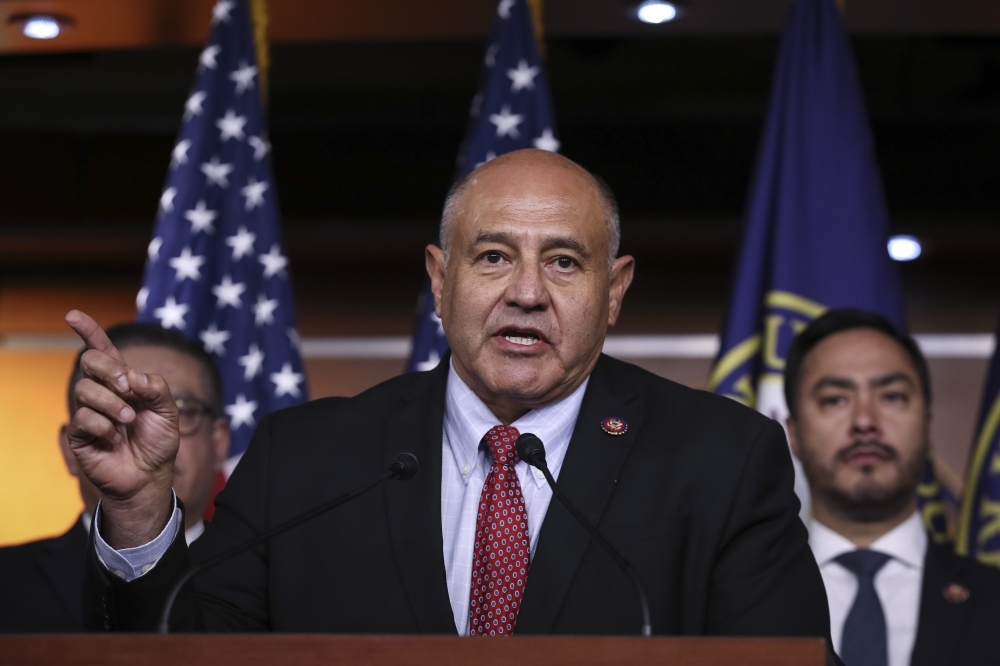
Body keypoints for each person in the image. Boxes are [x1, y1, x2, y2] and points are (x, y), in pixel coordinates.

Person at [70, 149, 832, 641]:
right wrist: (139, 513)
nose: (527, 293)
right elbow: (192, 657)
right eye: (494, 256)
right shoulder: (304, 461)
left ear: (614, 291)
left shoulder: (722, 458)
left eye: (564, 263)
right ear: (440, 280)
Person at [785, 308, 1000, 666]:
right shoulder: (743, 605)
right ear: (794, 433)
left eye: (892, 396)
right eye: (835, 399)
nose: (865, 421)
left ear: (927, 420)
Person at [0, 322, 230, 632]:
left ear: (219, 443)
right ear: (70, 448)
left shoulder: (273, 579)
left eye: (181, 409)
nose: (149, 435)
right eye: (119, 410)